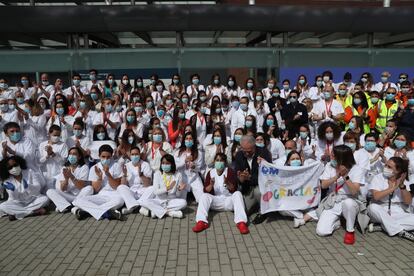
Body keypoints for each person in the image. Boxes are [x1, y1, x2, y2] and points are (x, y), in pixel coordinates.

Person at [316, 145, 366, 245]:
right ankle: (337, 222)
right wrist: (337, 175)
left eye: (334, 156)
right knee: (321, 232)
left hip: (350, 200)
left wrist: (345, 176)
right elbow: (324, 185)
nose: (331, 157)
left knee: (348, 203)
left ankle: (350, 230)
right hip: (334, 200)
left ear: (342, 157)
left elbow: (354, 192)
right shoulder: (330, 166)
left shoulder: (357, 169)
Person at [192, 153, 249, 234]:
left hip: (228, 201)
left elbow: (234, 188)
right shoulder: (210, 173)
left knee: (238, 194)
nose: (219, 162)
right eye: (217, 160)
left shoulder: (229, 171)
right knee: (204, 196)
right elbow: (206, 190)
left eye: (221, 160)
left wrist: (227, 182)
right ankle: (201, 222)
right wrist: (211, 185)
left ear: (225, 162)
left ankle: (241, 222)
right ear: (214, 161)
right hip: (216, 201)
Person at [72, 145, 125, 221]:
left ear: (111, 156)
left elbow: (116, 186)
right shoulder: (94, 168)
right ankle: (106, 213)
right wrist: (100, 178)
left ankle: (87, 212)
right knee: (78, 201)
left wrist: (108, 174)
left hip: (114, 195)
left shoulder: (116, 166)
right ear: (99, 156)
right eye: (103, 157)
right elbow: (96, 189)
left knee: (120, 201)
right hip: (101, 195)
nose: (105, 159)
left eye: (108, 157)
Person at [367, 157, 414, 242]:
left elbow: (408, 201)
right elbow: (376, 197)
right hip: (380, 209)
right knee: (372, 207)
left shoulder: (403, 181)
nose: (385, 168)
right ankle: (401, 231)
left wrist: (402, 186)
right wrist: (392, 188)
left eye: (389, 167)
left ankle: (383, 227)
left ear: (398, 170)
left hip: (398, 211)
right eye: (386, 165)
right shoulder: (378, 177)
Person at [235, 135, 272, 224]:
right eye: (244, 150)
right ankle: (256, 205)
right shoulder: (239, 155)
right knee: (244, 211)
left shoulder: (264, 153)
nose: (246, 153)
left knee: (258, 192)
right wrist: (241, 178)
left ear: (254, 146)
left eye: (248, 151)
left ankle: (264, 212)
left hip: (261, 186)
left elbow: (269, 174)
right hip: (247, 188)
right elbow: (238, 172)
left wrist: (250, 177)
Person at [0, 155, 49, 220]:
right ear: (7, 170)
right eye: (10, 167)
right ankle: (32, 212)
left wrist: (28, 186)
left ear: (19, 163)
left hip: (33, 199)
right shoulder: (7, 180)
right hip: (18, 202)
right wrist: (12, 190)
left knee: (45, 199)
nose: (14, 168)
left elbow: (38, 188)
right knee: (2, 206)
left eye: (15, 165)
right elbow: (14, 198)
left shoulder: (30, 172)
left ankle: (17, 213)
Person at [46, 147, 93, 213]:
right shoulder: (64, 168)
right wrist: (66, 179)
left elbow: (81, 187)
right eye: (70, 154)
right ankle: (69, 206)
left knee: (89, 188)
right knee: (50, 191)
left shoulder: (84, 168)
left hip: (79, 195)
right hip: (67, 196)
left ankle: (65, 205)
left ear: (79, 157)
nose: (72, 156)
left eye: (74, 154)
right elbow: (63, 189)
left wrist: (71, 176)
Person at [139, 154, 187, 219]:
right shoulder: (157, 174)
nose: (164, 165)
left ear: (172, 164)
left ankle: (155, 210)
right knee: (143, 201)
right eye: (163, 163)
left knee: (184, 203)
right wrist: (167, 188)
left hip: (171, 201)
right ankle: (169, 213)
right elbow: (156, 192)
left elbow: (178, 195)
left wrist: (179, 190)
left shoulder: (178, 175)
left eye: (167, 163)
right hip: (159, 200)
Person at [117, 147, 153, 215]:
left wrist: (141, 175)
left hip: (143, 191)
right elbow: (124, 184)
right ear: (130, 155)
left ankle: (132, 207)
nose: (135, 156)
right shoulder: (126, 166)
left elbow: (148, 184)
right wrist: (124, 175)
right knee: (120, 187)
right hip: (132, 192)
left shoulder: (145, 165)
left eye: (136, 154)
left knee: (152, 188)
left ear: (139, 154)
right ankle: (139, 206)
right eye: (132, 154)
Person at [39, 125, 69, 191]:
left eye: (58, 135)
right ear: (49, 133)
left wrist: (53, 154)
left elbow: (63, 161)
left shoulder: (63, 145)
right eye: (55, 135)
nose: (56, 137)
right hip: (44, 173)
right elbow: (39, 161)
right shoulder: (42, 145)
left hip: (57, 174)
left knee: (54, 193)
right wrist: (47, 156)